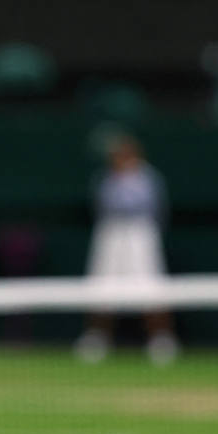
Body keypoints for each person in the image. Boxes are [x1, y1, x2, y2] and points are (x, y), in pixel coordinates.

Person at [74, 133, 178, 366]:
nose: (118, 158)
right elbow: (100, 206)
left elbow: (157, 210)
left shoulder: (149, 178)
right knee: (101, 287)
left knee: (151, 288)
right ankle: (96, 339)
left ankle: (161, 340)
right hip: (110, 235)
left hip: (140, 236)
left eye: (122, 153)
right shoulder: (106, 178)